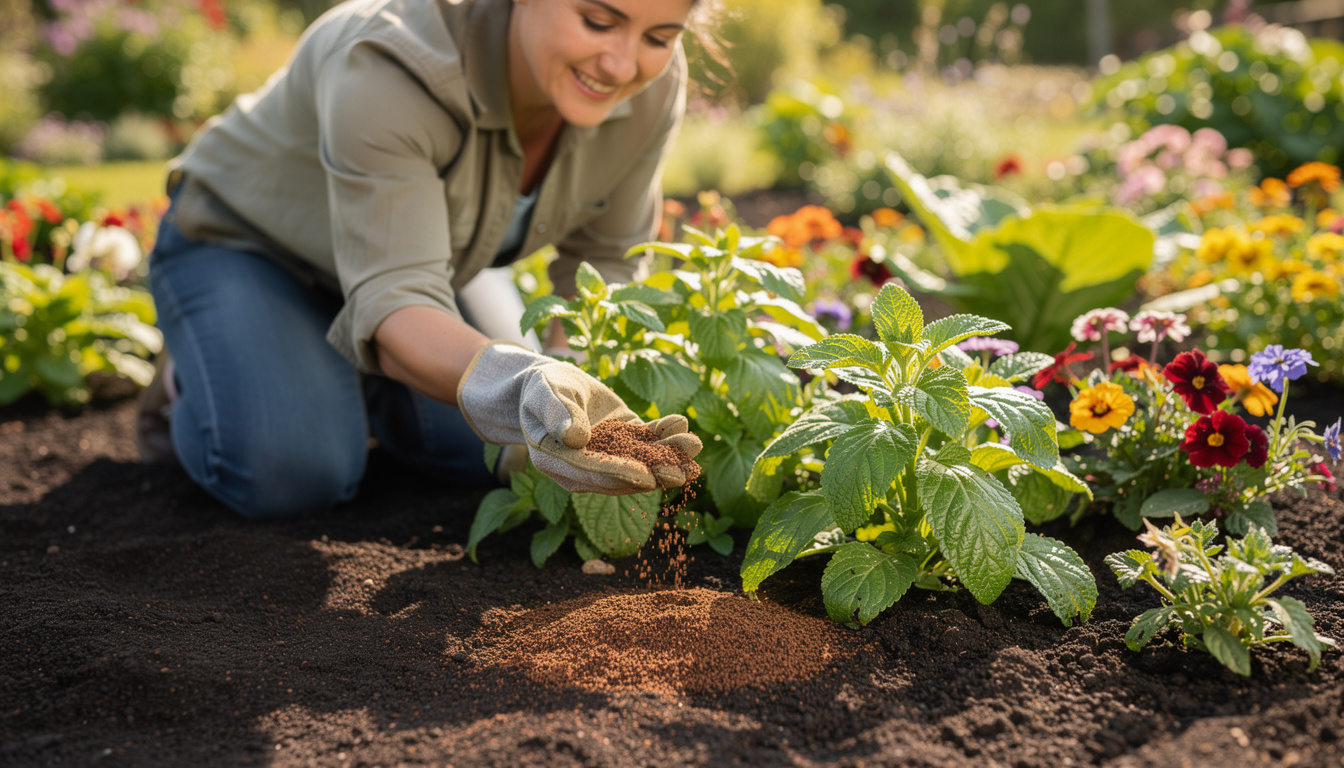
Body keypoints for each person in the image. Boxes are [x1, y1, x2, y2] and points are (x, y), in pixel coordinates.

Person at [136, 0, 711, 519]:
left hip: (419, 269)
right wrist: (522, 383)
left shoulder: (650, 87)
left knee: (499, 452)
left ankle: (340, 374)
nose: (620, 64)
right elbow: (398, 296)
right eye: (598, 21)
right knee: (293, 470)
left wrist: (576, 388)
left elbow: (603, 256)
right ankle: (201, 378)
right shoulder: (390, 61)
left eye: (658, 36)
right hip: (249, 246)